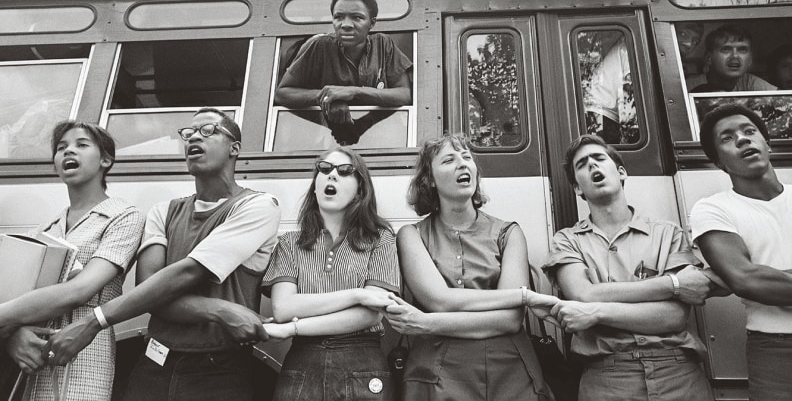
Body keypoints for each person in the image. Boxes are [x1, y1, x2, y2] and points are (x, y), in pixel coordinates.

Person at [45, 108, 282, 401]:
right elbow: (149, 292)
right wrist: (219, 309)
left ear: (235, 148)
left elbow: (187, 273)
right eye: (189, 133)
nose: (194, 136)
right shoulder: (163, 211)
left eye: (208, 130)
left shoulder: (258, 206)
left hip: (220, 371)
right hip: (154, 364)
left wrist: (94, 321)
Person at [534, 135, 714, 401]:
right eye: (582, 164)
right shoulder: (567, 240)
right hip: (607, 377)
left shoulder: (667, 233)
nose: (592, 166)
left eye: (599, 158)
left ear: (620, 173)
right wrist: (672, 285)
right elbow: (583, 295)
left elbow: (673, 317)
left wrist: (595, 313)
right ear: (577, 189)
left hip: (678, 372)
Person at [384, 133, 552, 400]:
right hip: (435, 374)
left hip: (509, 371)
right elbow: (441, 300)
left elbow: (510, 319)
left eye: (467, 157)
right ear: (429, 180)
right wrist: (522, 296)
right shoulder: (411, 235)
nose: (463, 164)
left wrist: (426, 324)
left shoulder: (509, 232)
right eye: (449, 160)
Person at [0, 120, 144, 401]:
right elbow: (16, 295)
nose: (68, 152)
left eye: (81, 145)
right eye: (61, 148)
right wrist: (12, 338)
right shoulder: (43, 231)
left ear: (106, 159)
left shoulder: (124, 216)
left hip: (85, 348)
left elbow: (80, 291)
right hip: (33, 355)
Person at [690, 104, 792, 401]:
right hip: (781, 353)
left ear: (768, 143)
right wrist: (753, 284)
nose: (742, 139)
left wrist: (764, 282)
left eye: (749, 131)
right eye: (727, 138)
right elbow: (746, 280)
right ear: (719, 163)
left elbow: (754, 281)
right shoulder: (713, 209)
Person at [260, 147, 399, 400]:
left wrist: (294, 329)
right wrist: (358, 294)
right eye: (324, 169)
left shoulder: (380, 239)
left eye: (345, 171)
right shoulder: (290, 242)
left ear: (360, 188)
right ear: (315, 186)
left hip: (362, 363)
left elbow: (369, 314)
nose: (332, 175)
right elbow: (283, 307)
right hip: (303, 363)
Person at [274, 0, 413, 145]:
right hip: (332, 141)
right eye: (339, 17)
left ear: (372, 23)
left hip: (382, 138)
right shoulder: (320, 46)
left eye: (357, 17)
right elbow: (282, 93)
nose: (346, 24)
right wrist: (328, 98)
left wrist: (354, 92)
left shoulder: (384, 44)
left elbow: (405, 94)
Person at [688, 24, 776, 93]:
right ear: (708, 58)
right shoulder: (689, 86)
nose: (735, 56)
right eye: (726, 49)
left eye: (742, 50)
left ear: (750, 60)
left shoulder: (752, 83)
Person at [584, 35, 638, 144]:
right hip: (603, 111)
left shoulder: (621, 47)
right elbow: (630, 88)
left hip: (599, 107)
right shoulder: (627, 48)